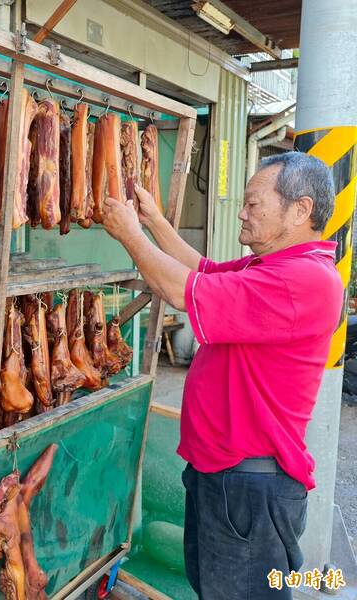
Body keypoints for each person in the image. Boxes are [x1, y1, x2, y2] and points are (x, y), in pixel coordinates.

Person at [102, 152, 342, 599]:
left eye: (254, 203)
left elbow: (180, 289)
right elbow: (202, 271)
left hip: (250, 485)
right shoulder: (271, 266)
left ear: (300, 210)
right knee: (212, 587)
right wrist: (153, 220)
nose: (242, 212)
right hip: (223, 473)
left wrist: (130, 235)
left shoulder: (304, 279)